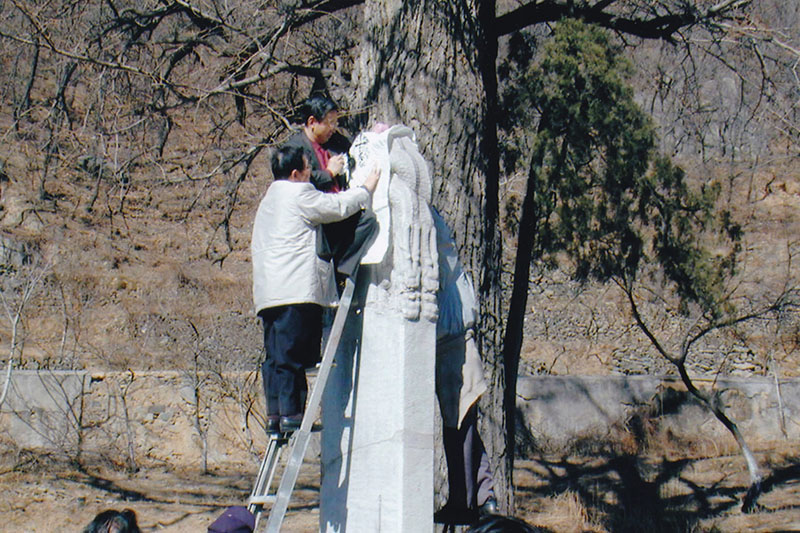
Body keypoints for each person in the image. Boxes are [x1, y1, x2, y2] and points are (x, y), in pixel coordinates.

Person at [251, 144, 380, 434]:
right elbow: (336, 208)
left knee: (274, 356)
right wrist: (365, 190)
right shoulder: (298, 193)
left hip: (269, 291)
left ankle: (275, 415)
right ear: (296, 174)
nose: (313, 174)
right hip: (294, 288)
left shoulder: (268, 200)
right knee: (291, 356)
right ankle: (292, 414)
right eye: (309, 169)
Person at [432, 208, 497, 526]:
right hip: (451, 332)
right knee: (460, 419)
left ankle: (469, 502)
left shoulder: (426, 222)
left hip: (452, 333)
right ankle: (481, 497)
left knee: (459, 422)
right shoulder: (432, 221)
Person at [284, 94, 378, 284]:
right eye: (329, 123)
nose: (333, 128)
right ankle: (336, 271)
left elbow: (356, 151)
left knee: (368, 221)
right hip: (317, 216)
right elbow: (300, 182)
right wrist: (329, 173)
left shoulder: (336, 141)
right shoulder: (295, 148)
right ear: (312, 122)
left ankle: (342, 268)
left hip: (341, 206)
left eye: (335, 122)